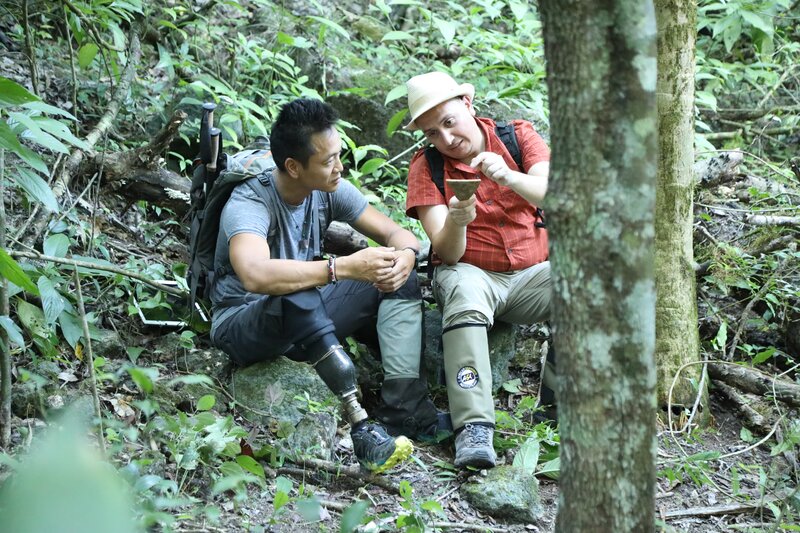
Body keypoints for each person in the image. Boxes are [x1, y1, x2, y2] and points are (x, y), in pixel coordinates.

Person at [209, 98, 444, 474]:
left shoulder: (328, 187)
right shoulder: (250, 200)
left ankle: (406, 410)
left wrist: (404, 256)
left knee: (389, 268)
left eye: (338, 154)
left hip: (306, 319)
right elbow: (254, 273)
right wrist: (341, 268)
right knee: (297, 289)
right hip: (244, 325)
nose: (339, 167)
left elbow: (396, 232)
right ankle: (361, 427)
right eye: (328, 160)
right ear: (293, 167)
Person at [402, 71, 555, 469]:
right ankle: (473, 427)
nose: (446, 139)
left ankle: (559, 411)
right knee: (466, 292)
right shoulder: (427, 167)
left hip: (532, 273)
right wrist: (457, 219)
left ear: (467, 105)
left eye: (449, 122)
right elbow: (447, 253)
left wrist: (506, 175)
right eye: (433, 133)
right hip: (471, 272)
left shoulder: (516, 136)